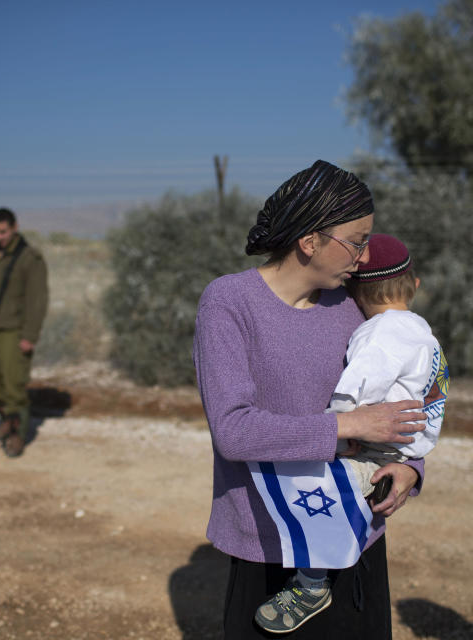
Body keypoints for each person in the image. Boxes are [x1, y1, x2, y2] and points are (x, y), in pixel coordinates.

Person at [192, 160, 427, 639]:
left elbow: (403, 394)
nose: (364, 258)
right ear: (309, 241)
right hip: (270, 542)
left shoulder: (351, 306)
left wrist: (411, 468)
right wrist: (348, 427)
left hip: (351, 533)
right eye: (356, 241)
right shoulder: (228, 303)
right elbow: (234, 431)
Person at [253, 233, 449, 634]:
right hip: (403, 451)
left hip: (375, 450)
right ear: (415, 284)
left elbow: (351, 392)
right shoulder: (421, 332)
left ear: (356, 292)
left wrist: (335, 431)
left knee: (316, 492)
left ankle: (312, 584)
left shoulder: (381, 335)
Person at [0, 208, 49, 458]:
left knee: (14, 385)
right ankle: (6, 420)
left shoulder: (29, 258)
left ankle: (18, 434)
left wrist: (30, 335)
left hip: (14, 330)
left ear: (15, 227)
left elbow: (38, 300)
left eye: (3, 232)